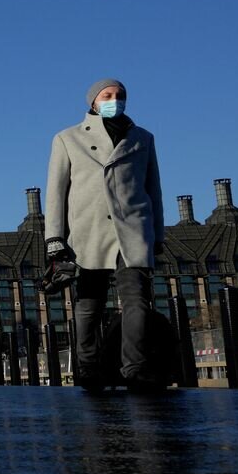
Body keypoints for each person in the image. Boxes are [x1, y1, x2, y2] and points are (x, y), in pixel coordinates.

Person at [45, 77, 164, 392]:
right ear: (93, 102)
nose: (114, 100)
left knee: (138, 300)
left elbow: (154, 190)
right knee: (89, 304)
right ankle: (89, 367)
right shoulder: (68, 139)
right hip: (89, 230)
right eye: (108, 95)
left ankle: (135, 368)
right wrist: (55, 239)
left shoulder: (143, 138)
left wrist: (158, 235)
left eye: (119, 95)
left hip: (133, 229)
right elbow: (56, 192)